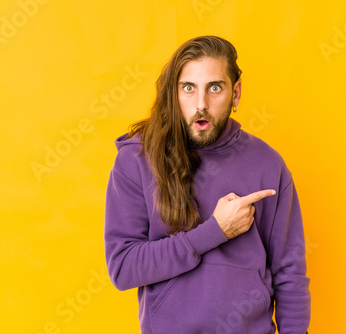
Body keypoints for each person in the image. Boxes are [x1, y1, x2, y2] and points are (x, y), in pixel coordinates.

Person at [104, 35, 311, 333]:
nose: (201, 103)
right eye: (188, 88)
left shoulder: (268, 164)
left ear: (236, 93)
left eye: (215, 88)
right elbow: (123, 268)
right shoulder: (137, 160)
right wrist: (214, 232)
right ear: (173, 93)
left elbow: (289, 273)